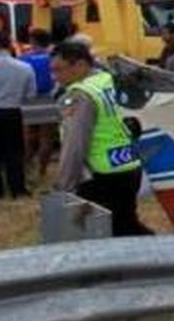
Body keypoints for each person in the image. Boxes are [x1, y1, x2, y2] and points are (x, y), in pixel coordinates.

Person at [50, 40, 152, 236]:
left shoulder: (80, 95)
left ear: (80, 65)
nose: (55, 77)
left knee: (107, 232)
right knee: (125, 223)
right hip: (128, 165)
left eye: (59, 70)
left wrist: (65, 185)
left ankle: (159, 257)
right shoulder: (107, 79)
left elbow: (75, 144)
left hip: (100, 175)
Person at [0, 31, 36, 198]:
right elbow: (30, 95)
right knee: (14, 152)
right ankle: (17, 188)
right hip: (12, 112)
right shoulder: (24, 67)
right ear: (9, 45)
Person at [18, 29, 56, 181]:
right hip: (48, 98)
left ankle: (26, 168)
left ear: (33, 41)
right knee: (46, 137)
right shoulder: (53, 58)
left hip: (27, 99)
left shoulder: (23, 59)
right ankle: (42, 171)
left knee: (26, 137)